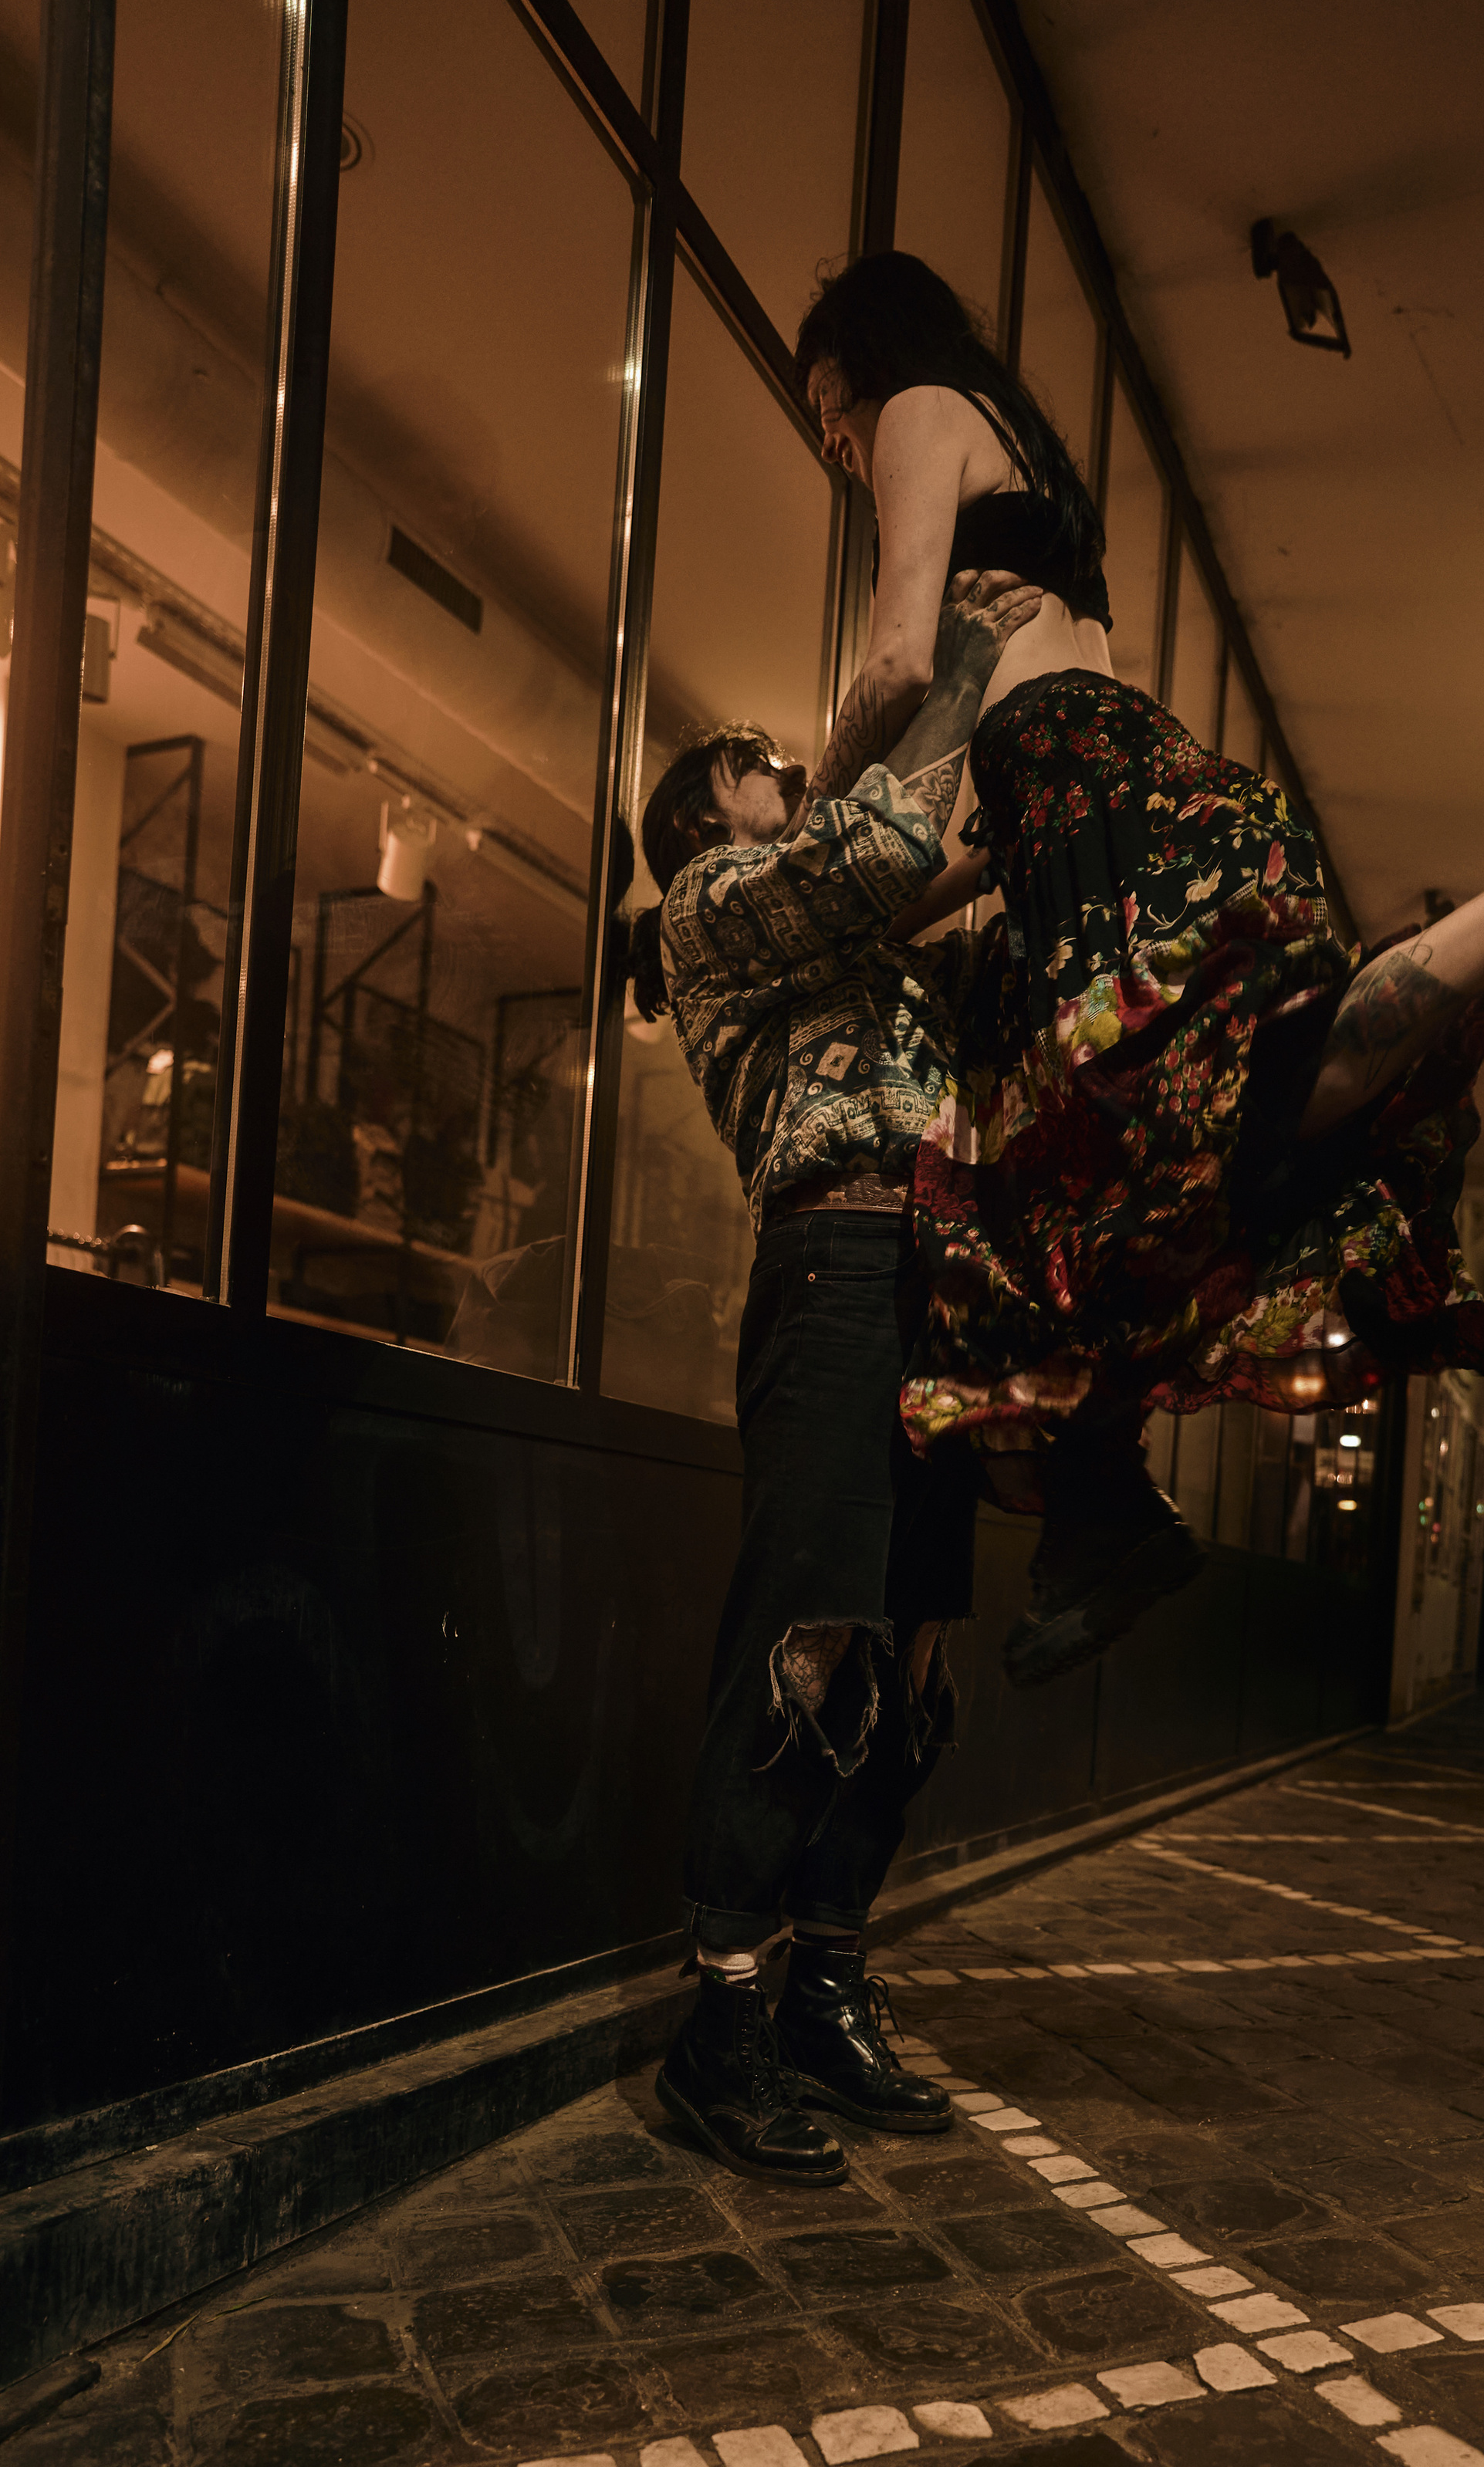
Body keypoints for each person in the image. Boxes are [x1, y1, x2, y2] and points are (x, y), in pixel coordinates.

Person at [791, 251, 1484, 1689]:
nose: (834, 441)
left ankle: (1102, 1510)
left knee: (1088, 1199)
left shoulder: (918, 413)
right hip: (1115, 817)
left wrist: (802, 837)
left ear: (866, 363)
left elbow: (897, 665)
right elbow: (1002, 796)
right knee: (1249, 1128)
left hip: (1101, 827)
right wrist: (874, 916)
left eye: (825, 407)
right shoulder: (1030, 497)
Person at [625, 572, 1046, 2187]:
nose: (785, 765)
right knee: (806, 1637)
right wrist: (963, 665)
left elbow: (935, 919)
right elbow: (865, 850)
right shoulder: (712, 904)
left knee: (912, 1653)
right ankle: (720, 2014)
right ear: (701, 820)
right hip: (836, 1263)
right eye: (755, 762)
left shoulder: (863, 947)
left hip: (932, 1274)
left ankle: (825, 1982)